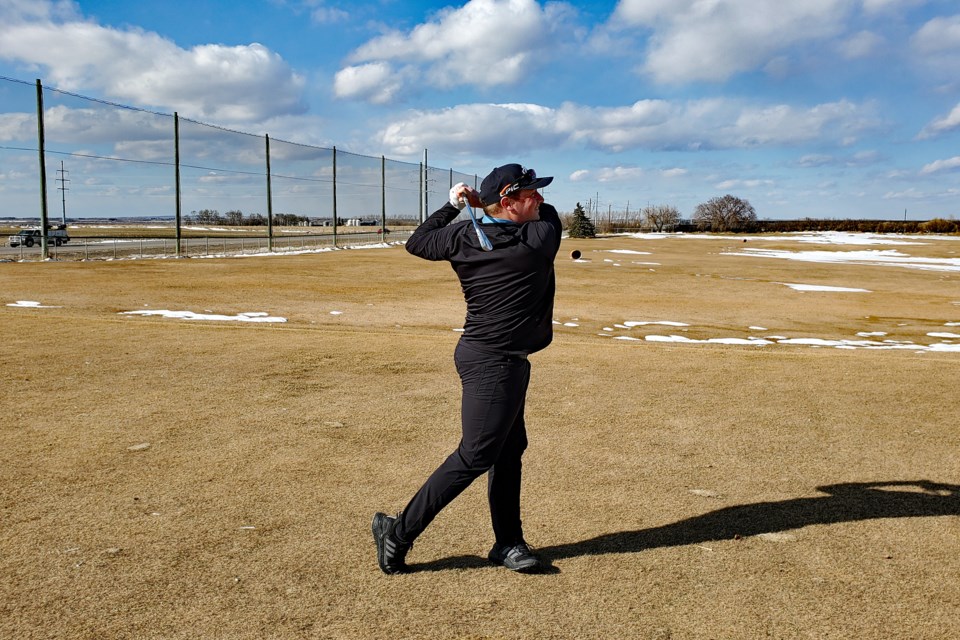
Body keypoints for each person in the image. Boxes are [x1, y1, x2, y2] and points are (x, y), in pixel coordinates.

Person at [372, 163, 562, 574]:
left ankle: (508, 543)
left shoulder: (462, 236)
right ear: (508, 202)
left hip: (501, 360)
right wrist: (481, 206)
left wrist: (454, 205)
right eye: (532, 194)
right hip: (490, 362)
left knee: (509, 452)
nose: (542, 200)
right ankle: (398, 532)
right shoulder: (539, 238)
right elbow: (549, 217)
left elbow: (417, 242)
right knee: (476, 454)